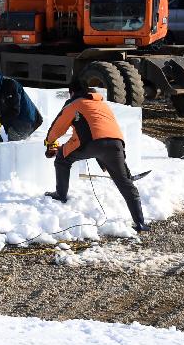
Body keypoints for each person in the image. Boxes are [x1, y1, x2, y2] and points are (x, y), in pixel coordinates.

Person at [43, 78, 149, 232]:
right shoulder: (101, 104)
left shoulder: (74, 104)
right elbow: (104, 130)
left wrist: (49, 143)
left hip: (90, 143)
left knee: (62, 160)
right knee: (125, 184)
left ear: (71, 92)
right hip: (116, 144)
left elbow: (57, 127)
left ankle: (61, 194)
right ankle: (140, 222)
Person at [0, 67, 43, 141]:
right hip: (18, 119)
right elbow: (1, 108)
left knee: (13, 143)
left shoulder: (10, 86)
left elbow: (14, 111)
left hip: (28, 120)